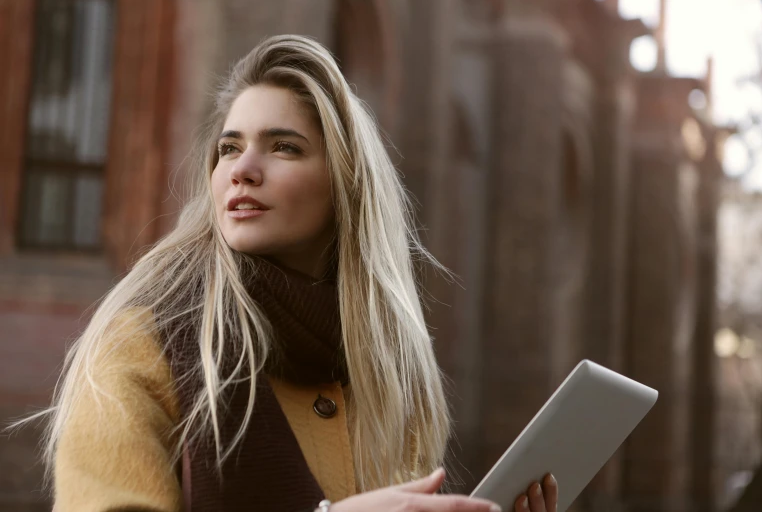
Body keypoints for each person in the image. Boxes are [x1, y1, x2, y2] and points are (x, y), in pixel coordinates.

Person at [36, 35, 558, 512]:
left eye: (284, 146)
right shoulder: (139, 347)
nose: (242, 168)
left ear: (344, 186)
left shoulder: (390, 377)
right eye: (229, 148)